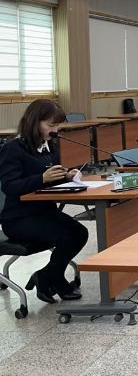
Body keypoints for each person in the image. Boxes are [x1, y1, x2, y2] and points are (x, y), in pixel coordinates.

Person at [0, 100, 87, 303]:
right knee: (65, 237)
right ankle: (56, 279)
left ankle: (45, 276)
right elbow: (10, 186)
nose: (55, 130)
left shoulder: (50, 147)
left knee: (80, 232)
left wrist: (66, 176)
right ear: (34, 122)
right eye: (50, 125)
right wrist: (41, 178)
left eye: (57, 125)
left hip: (44, 212)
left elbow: (51, 178)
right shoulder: (13, 149)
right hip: (19, 218)